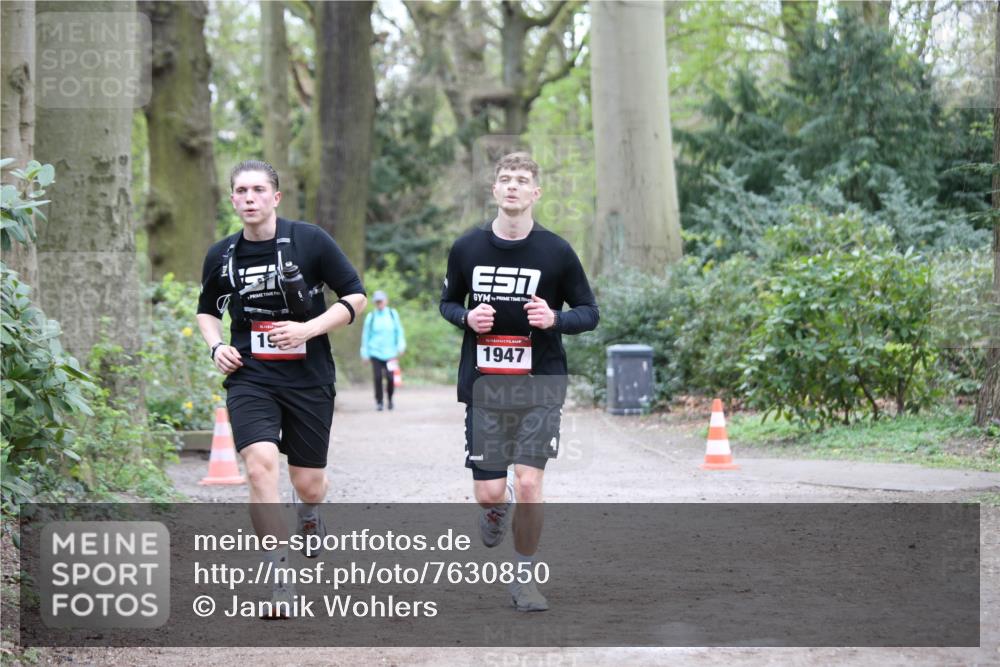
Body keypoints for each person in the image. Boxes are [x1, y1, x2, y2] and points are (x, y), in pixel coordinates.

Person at [196, 159, 366, 617]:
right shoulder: (222, 254)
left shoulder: (309, 240)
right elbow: (207, 310)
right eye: (240, 191)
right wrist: (216, 348)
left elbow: (354, 296)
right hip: (250, 376)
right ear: (232, 199)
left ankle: (310, 514)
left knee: (308, 484)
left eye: (257, 190)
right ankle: (279, 576)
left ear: (275, 197)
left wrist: (308, 329)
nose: (249, 198)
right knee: (260, 466)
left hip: (309, 377)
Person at [439, 152, 599, 611]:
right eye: (505, 179)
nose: (512, 186)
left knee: (529, 483)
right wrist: (467, 317)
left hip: (540, 382)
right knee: (491, 491)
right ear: (495, 190)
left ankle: (523, 579)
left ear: (535, 192)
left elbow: (589, 313)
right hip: (486, 386)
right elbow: (447, 302)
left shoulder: (556, 251)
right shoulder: (467, 247)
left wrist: (554, 318)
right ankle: (493, 507)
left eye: (522, 180)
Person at [360, 290, 406, 411]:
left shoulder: (392, 314)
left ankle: (390, 399)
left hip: (391, 353)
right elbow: (365, 336)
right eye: (377, 301)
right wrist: (365, 353)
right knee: (378, 377)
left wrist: (401, 346)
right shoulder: (371, 317)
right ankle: (379, 402)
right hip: (375, 352)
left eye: (381, 301)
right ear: (375, 303)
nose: (379, 303)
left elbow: (399, 331)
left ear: (386, 301)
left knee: (391, 378)